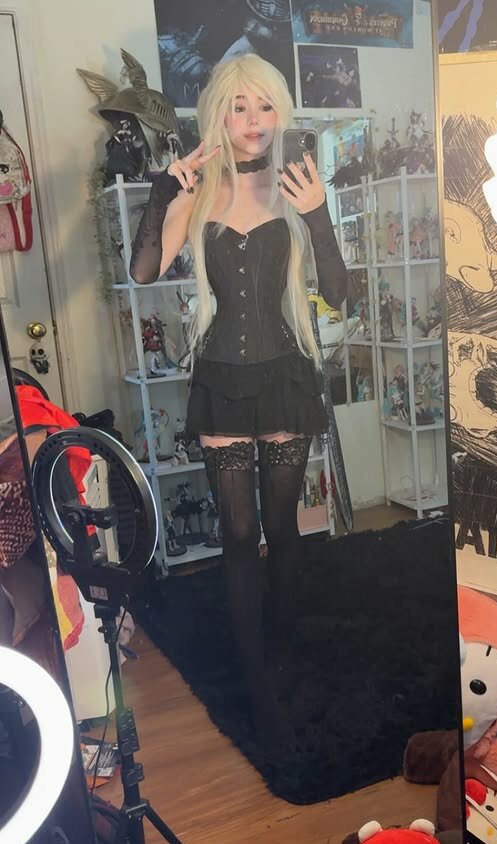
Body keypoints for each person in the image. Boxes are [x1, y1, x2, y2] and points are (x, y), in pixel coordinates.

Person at [129, 54, 347, 746]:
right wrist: (162, 192)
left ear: (281, 113)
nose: (254, 120)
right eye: (239, 106)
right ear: (218, 116)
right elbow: (144, 270)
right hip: (221, 379)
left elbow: (339, 293)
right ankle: (256, 685)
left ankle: (284, 649)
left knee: (283, 524)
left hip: (284, 373)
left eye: (265, 105)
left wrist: (317, 215)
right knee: (238, 534)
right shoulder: (199, 194)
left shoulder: (296, 187)